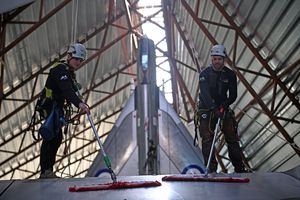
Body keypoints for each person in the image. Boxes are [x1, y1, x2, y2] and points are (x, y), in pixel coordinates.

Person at [39, 43, 90, 178]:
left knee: (56, 137)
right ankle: (45, 171)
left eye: (81, 60)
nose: (78, 62)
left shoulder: (68, 72)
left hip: (57, 107)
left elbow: (70, 89)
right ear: (69, 56)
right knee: (51, 136)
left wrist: (77, 95)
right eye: (76, 59)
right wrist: (80, 104)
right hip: (51, 106)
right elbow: (67, 90)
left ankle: (48, 170)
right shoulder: (60, 70)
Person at [198, 44, 246, 173]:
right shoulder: (204, 74)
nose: (216, 61)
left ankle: (239, 168)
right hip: (206, 108)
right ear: (211, 59)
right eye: (214, 59)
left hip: (222, 106)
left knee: (231, 135)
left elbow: (233, 95)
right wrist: (214, 109)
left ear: (224, 59)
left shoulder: (230, 74)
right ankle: (211, 169)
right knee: (207, 137)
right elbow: (205, 94)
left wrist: (224, 105)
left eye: (219, 59)